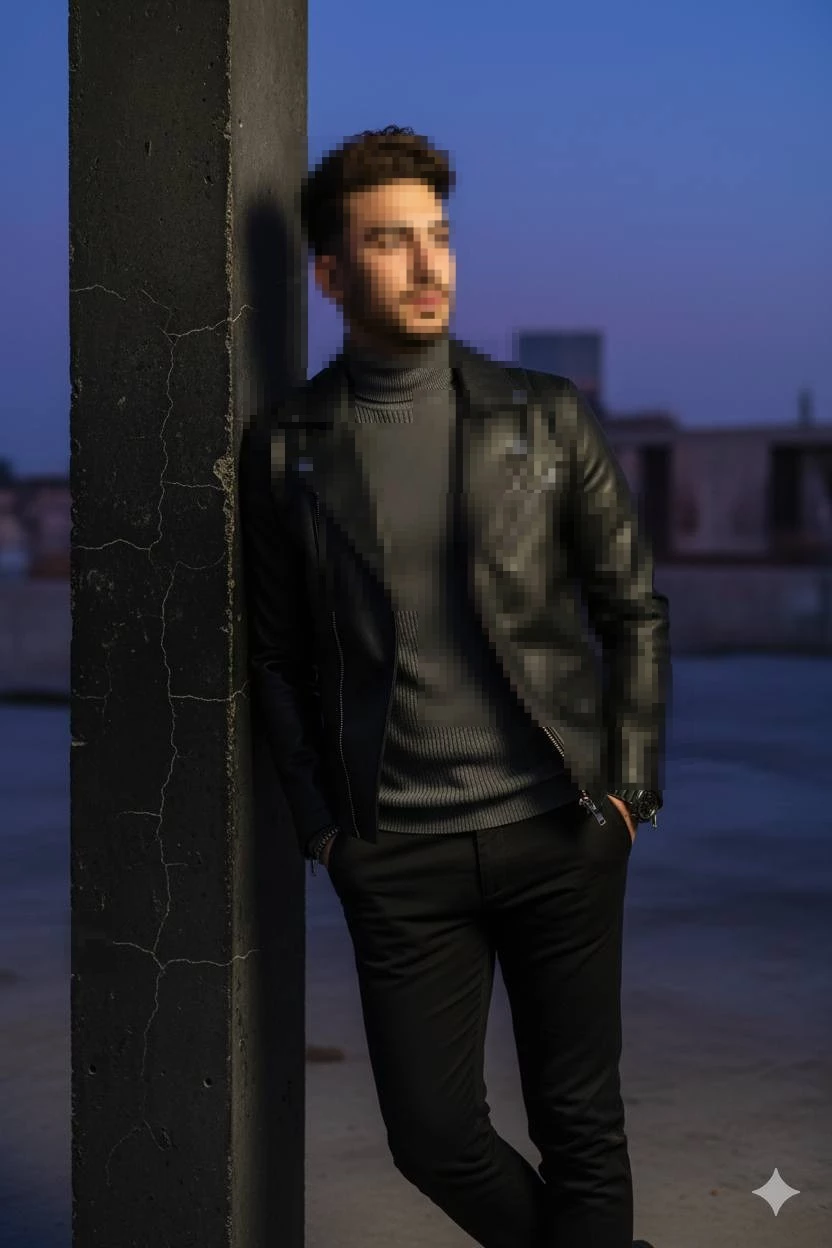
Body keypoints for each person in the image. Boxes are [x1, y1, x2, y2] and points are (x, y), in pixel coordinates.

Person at [239, 124, 669, 1248]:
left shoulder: (545, 415)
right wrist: (325, 828)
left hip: (559, 827)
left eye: (439, 236)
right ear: (334, 275)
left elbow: (631, 610)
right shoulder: (286, 445)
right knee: (431, 1135)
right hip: (398, 851)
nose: (430, 266)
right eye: (392, 242)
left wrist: (626, 790)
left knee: (581, 1123)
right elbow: (276, 653)